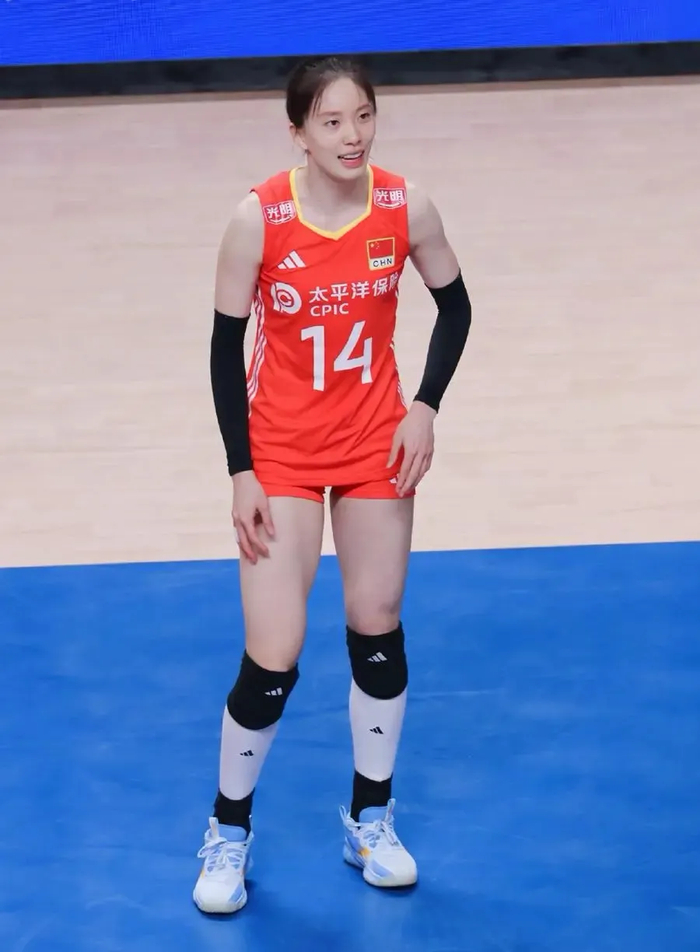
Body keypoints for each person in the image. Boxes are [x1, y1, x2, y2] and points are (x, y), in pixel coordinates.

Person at [195, 55, 472, 915]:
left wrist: (423, 405)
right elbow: (224, 352)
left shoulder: (405, 205)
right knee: (273, 653)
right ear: (298, 133)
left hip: (373, 444)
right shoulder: (258, 219)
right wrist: (241, 469)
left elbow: (457, 306)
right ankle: (228, 830)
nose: (352, 136)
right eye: (331, 121)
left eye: (363, 117)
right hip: (280, 452)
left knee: (377, 622)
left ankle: (370, 820)